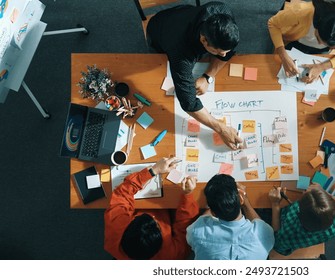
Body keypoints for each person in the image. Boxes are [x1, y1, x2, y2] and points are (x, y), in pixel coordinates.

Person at [146, 1, 242, 150]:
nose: (224, 55)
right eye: (218, 52)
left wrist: (208, 76)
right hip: (160, 32)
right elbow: (188, 102)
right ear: (204, 40)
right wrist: (221, 128)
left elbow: (227, 53)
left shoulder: (221, 10)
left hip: (184, 13)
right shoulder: (181, 52)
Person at [104, 157, 199, 260]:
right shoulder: (173, 256)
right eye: (156, 223)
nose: (151, 216)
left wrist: (153, 171)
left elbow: (122, 194)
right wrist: (188, 194)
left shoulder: (116, 231)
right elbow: (186, 226)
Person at [268, 0, 335, 83]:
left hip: (324, 52)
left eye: (331, 44)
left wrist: (322, 67)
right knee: (277, 70)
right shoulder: (301, 11)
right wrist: (283, 55)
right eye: (318, 38)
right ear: (316, 26)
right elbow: (273, 23)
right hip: (295, 40)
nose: (320, 44)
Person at [186, 174, 275, 259]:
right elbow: (259, 223)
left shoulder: (197, 231)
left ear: (213, 213)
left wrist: (215, 201)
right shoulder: (264, 233)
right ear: (240, 199)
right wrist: (246, 201)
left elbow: (205, 218)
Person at [269, 183, 335, 256]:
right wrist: (326, 195)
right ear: (334, 208)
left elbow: (277, 245)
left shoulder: (289, 233)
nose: (303, 192)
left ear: (298, 213)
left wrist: (275, 204)